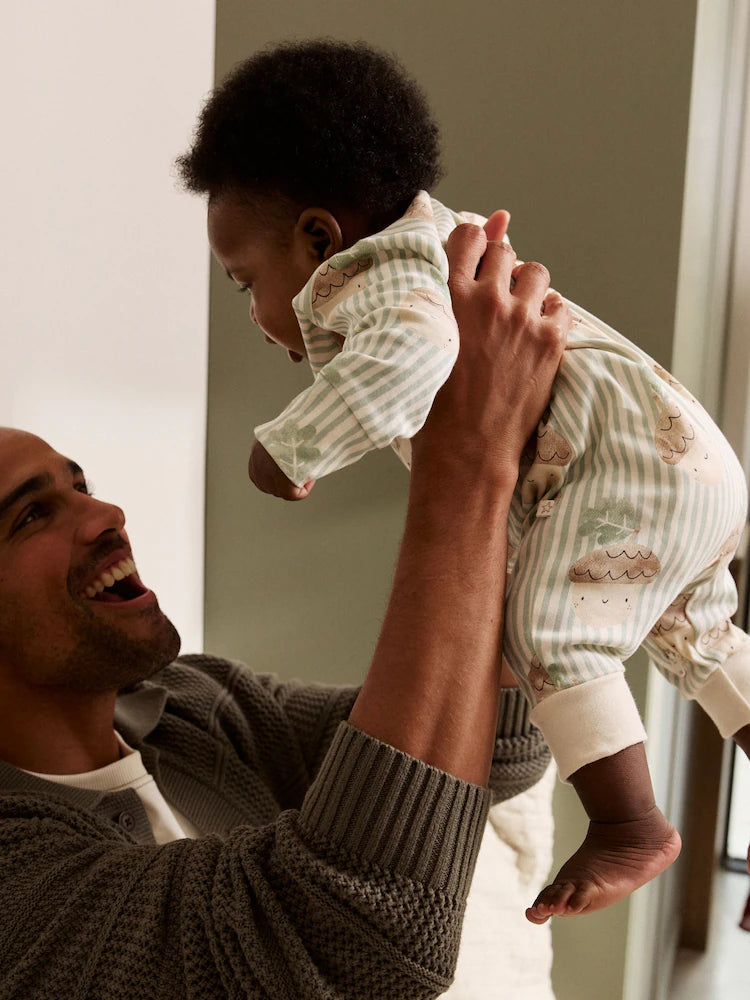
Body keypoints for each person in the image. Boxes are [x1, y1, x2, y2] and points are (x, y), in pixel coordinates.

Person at [176, 37, 750, 923]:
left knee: (550, 630)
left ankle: (631, 824)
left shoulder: (377, 277)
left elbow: (412, 355)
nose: (254, 313)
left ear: (320, 238)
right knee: (699, 640)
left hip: (632, 470)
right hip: (686, 466)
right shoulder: (433, 246)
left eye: (244, 281)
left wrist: (292, 447)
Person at [0, 223, 567, 998]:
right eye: (31, 515)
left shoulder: (195, 703)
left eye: (80, 484)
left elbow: (500, 746)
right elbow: (360, 939)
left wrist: (526, 452)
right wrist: (469, 463)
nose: (106, 514)